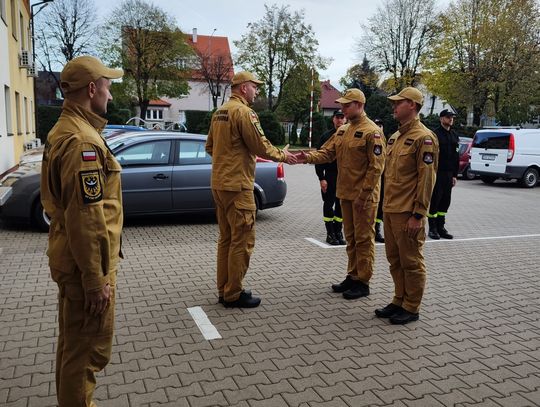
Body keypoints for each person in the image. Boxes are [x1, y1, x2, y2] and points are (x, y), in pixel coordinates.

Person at [40, 56, 124, 406]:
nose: (109, 93)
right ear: (92, 89)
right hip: (84, 267)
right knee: (86, 354)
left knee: (73, 346)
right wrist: (95, 280)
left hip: (71, 259)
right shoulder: (82, 142)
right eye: (107, 84)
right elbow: (86, 218)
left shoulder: (67, 130)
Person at [205, 71, 297, 308]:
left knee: (226, 239)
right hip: (238, 187)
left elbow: (209, 147)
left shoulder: (220, 113)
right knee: (242, 241)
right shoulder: (245, 113)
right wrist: (283, 155)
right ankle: (234, 293)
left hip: (219, 185)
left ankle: (223, 289)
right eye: (254, 87)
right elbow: (260, 145)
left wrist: (229, 156)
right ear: (243, 88)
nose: (257, 91)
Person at [297, 89, 385, 300]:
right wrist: (305, 157)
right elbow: (327, 153)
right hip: (345, 194)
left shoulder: (372, 132)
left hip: (363, 197)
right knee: (352, 239)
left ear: (359, 105)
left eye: (347, 105)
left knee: (364, 239)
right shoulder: (343, 130)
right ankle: (352, 275)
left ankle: (363, 282)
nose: (343, 109)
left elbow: (376, 168)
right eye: (342, 105)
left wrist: (364, 195)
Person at [375, 87, 439, 325]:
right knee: (395, 259)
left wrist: (418, 214)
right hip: (391, 210)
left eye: (398, 102)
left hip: (408, 212)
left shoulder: (425, 138)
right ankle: (399, 299)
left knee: (411, 261)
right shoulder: (394, 137)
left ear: (412, 105)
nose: (393, 106)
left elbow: (426, 179)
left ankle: (412, 307)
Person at [315, 109, 346, 245]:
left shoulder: (349, 135)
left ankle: (338, 232)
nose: (339, 120)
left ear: (345, 119)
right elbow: (319, 158)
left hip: (344, 177)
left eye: (342, 117)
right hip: (330, 176)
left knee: (341, 205)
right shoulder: (326, 136)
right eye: (337, 117)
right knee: (329, 204)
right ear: (333, 119)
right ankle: (330, 233)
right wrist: (321, 178)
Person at [427, 109, 459, 240]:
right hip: (437, 172)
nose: (450, 119)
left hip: (449, 173)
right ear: (441, 119)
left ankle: (441, 227)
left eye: (452, 117)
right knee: (435, 200)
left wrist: (455, 175)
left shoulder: (454, 135)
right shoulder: (434, 134)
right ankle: (432, 228)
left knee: (445, 201)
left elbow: (456, 156)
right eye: (448, 117)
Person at [373, 118, 385, 243]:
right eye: (376, 125)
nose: (379, 127)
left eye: (380, 125)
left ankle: (377, 230)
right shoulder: (372, 140)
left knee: (380, 206)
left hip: (384, 179)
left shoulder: (387, 141)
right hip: (373, 179)